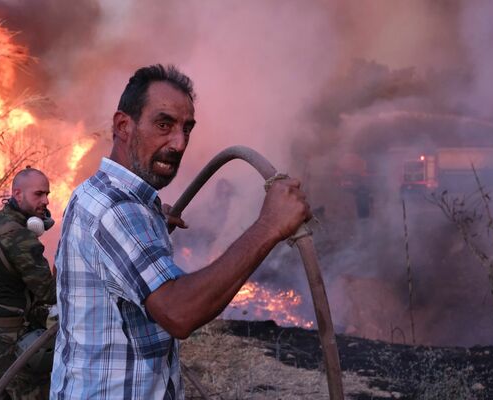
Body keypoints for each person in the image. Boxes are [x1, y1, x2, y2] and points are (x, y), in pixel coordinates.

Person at [51, 64, 311, 399]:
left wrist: (149, 221)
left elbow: (70, 271)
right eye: (164, 125)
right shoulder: (118, 210)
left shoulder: (94, 193)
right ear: (123, 126)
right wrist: (269, 226)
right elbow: (179, 313)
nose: (179, 143)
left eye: (187, 129)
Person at [0, 167, 57, 400]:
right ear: (17, 194)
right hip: (9, 336)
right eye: (38, 194)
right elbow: (48, 293)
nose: (45, 200)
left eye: (47, 194)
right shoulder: (21, 236)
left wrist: (1, 273)